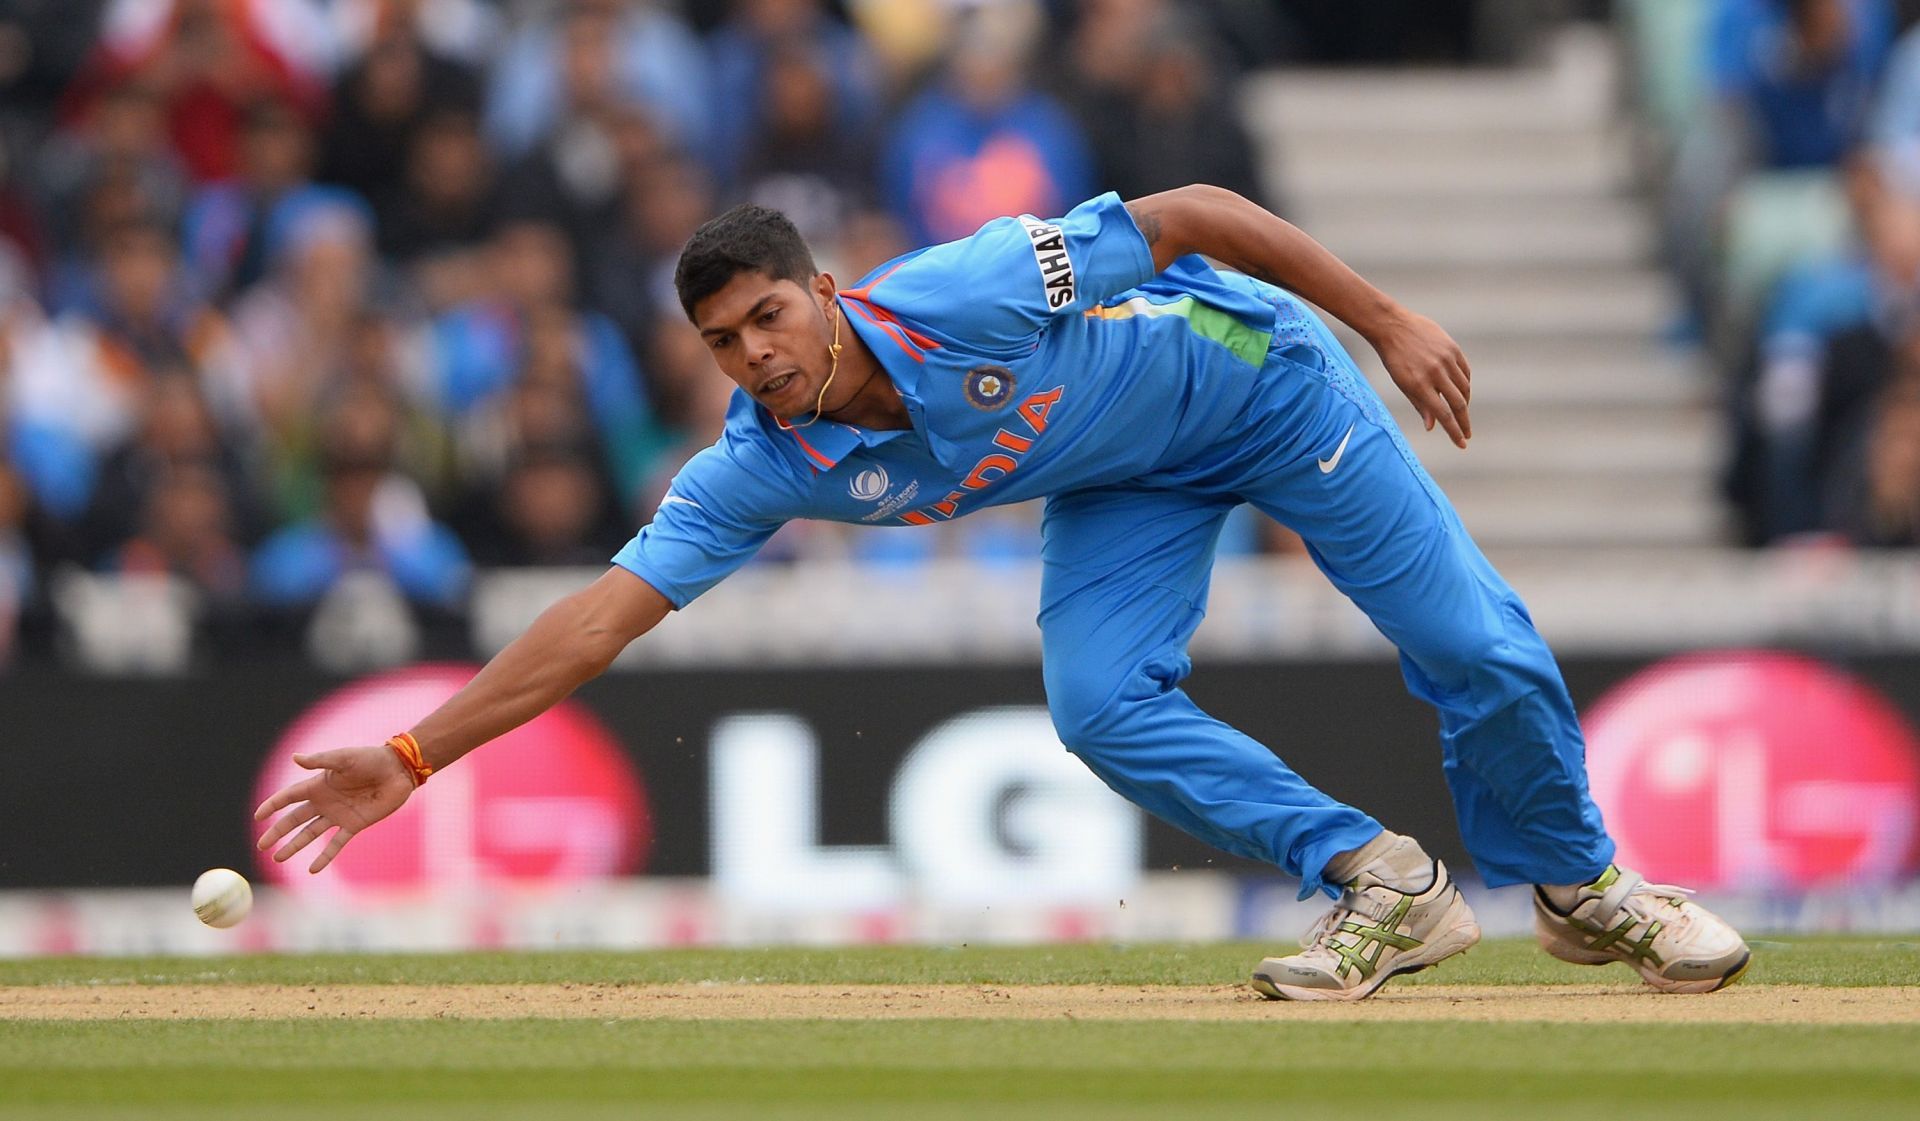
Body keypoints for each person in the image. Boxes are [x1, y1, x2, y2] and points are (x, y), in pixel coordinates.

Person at [254, 183, 1753, 1002]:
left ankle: (1583, 886)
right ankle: (1382, 880)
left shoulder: (967, 284)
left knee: (1465, 642)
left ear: (826, 290)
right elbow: (603, 614)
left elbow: (1191, 213)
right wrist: (409, 753)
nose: (758, 356)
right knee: (1097, 705)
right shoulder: (761, 464)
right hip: (1124, 479)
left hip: (1265, 388)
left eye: (770, 316)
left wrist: (1384, 316)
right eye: (723, 342)